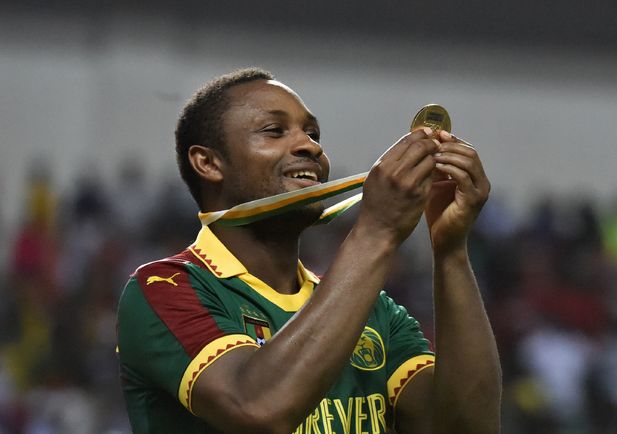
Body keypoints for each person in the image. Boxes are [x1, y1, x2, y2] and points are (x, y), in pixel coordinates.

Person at [116, 67, 501, 434]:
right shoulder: (164, 289)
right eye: (275, 131)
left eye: (312, 133)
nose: (310, 146)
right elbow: (257, 408)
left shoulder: (377, 313)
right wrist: (376, 231)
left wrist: (451, 250)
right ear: (208, 163)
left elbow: (467, 429)